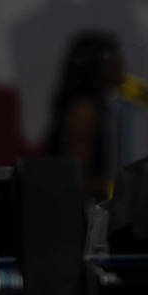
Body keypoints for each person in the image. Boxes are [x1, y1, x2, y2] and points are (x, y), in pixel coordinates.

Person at [42, 31, 124, 199]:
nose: (121, 66)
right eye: (113, 59)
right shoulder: (84, 112)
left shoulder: (98, 107)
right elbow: (76, 179)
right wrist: (120, 188)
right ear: (95, 65)